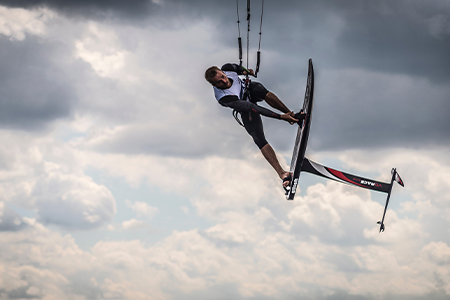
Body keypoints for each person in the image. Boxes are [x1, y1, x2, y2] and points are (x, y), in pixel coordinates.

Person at [204, 63, 305, 191]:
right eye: (219, 82)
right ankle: (282, 173)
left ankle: (293, 116)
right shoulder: (224, 98)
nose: (224, 81)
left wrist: (247, 71)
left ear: (223, 72)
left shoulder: (228, 68)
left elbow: (238, 68)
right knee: (258, 139)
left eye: (223, 76)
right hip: (247, 109)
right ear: (214, 85)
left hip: (250, 91)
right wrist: (280, 117)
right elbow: (253, 108)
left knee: (257, 88)